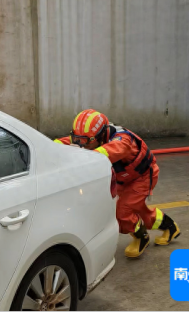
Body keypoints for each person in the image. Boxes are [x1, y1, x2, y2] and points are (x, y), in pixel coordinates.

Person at [54, 109, 181, 258]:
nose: (79, 144)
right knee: (137, 210)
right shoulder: (87, 138)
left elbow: (108, 152)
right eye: (76, 139)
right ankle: (170, 227)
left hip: (142, 177)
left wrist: (78, 155)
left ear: (101, 135)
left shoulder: (122, 140)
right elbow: (59, 143)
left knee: (122, 214)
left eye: (85, 141)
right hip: (124, 179)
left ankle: (142, 237)